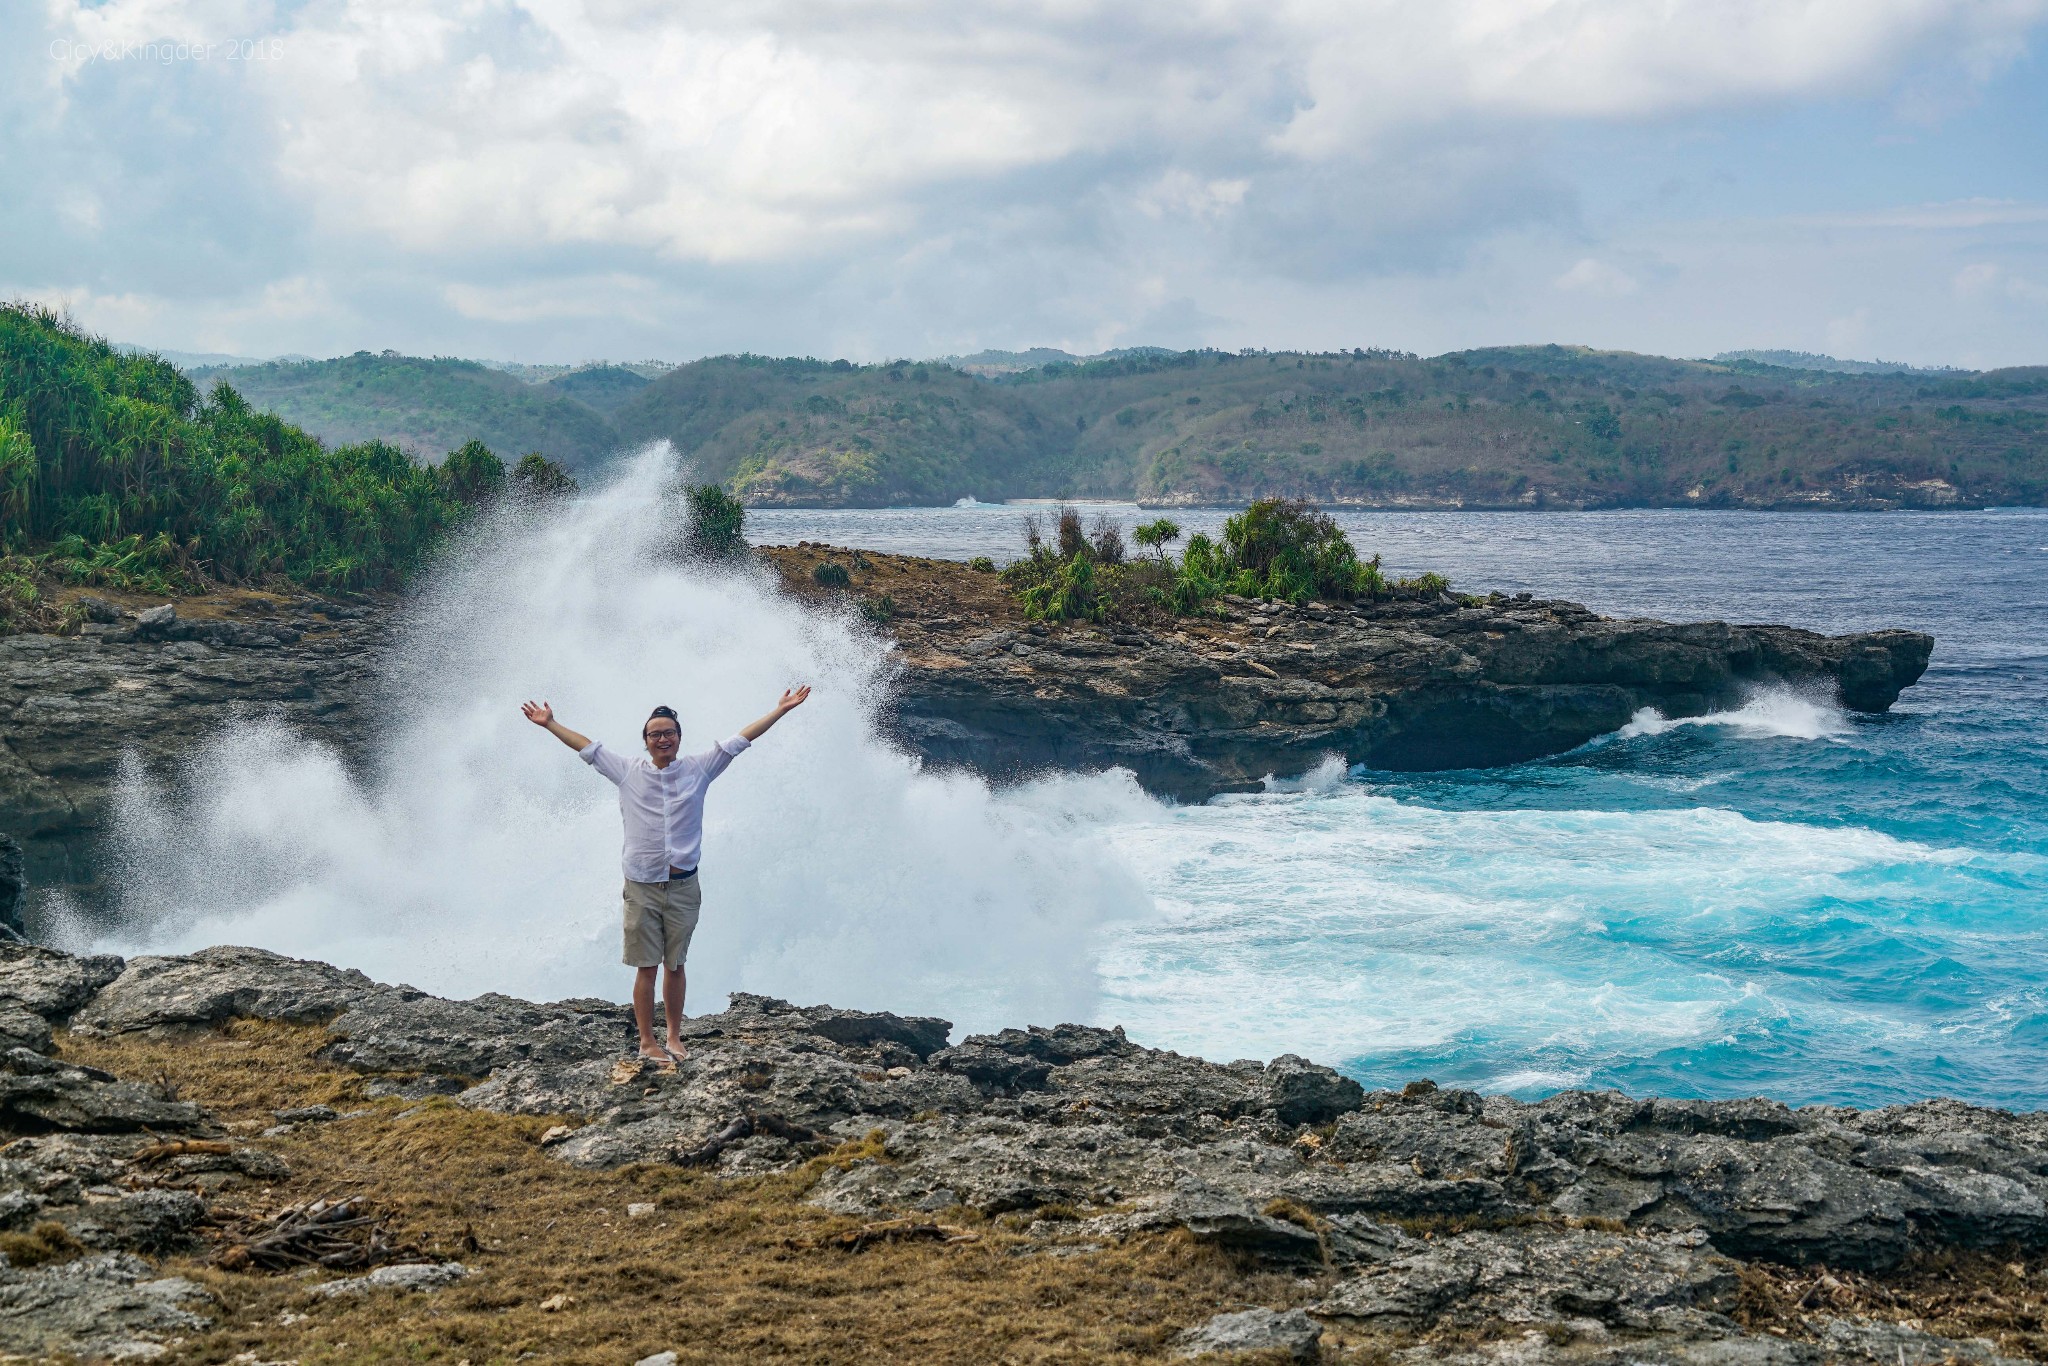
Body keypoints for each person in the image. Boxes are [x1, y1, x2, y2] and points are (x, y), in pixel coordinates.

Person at [520, 687, 811, 1062]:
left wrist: (781, 710)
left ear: (678, 738)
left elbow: (741, 740)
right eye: (655, 734)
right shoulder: (627, 771)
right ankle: (647, 1042)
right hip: (641, 885)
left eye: (669, 733)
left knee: (676, 964)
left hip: (684, 885)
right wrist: (550, 724)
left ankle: (674, 1037)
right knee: (647, 967)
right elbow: (587, 748)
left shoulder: (699, 768)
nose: (662, 738)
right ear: (645, 741)